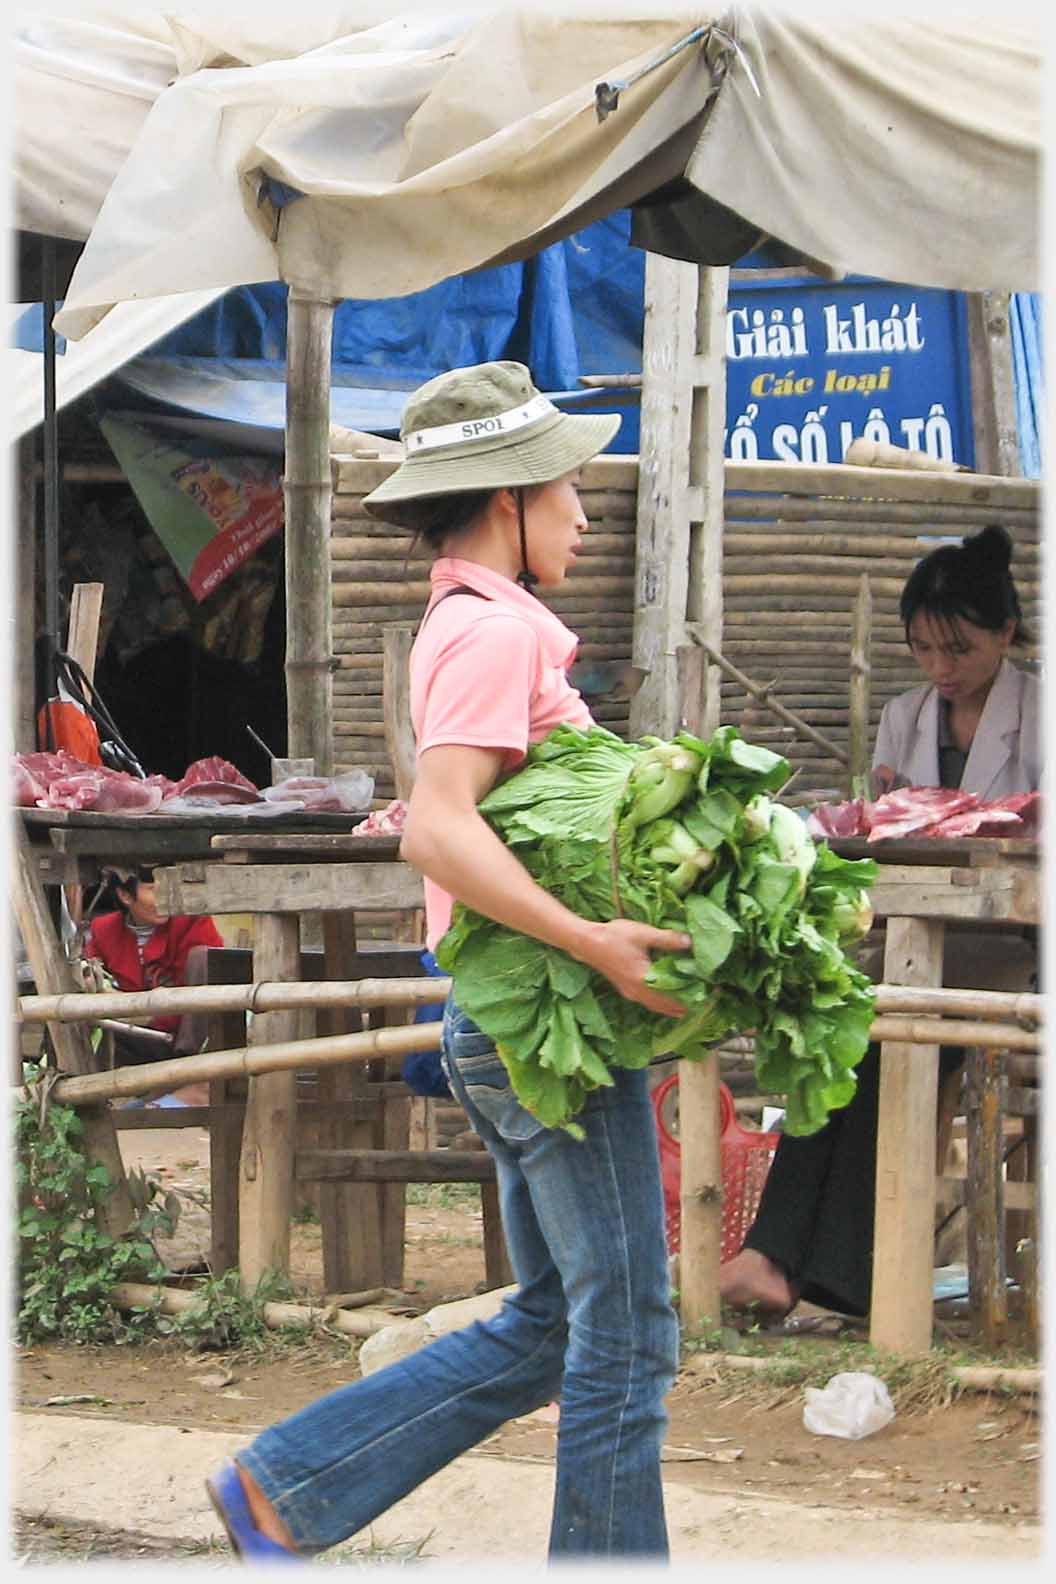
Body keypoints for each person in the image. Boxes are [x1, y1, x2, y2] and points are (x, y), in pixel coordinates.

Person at [203, 361, 693, 1562]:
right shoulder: (486, 633)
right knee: (627, 1331)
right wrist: (590, 940)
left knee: (548, 1325)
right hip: (537, 1029)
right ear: (507, 501)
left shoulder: (486, 625)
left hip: (514, 1024)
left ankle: (285, 1484)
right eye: (571, 486)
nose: (585, 510)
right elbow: (439, 825)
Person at [720, 524, 1040, 1320]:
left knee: (885, 1045)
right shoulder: (905, 716)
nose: (940, 670)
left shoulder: (1044, 710)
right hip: (912, 941)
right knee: (840, 1037)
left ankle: (809, 1270)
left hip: (1019, 951)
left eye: (958, 650)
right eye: (924, 651)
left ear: (1006, 633)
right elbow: (890, 822)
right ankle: (792, 1265)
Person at [84, 866, 224, 1106]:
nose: (164, 895)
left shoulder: (192, 919)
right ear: (125, 896)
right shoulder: (104, 929)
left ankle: (186, 1076)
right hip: (137, 1031)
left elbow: (209, 979)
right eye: (152, 888)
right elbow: (94, 974)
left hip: (187, 1032)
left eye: (167, 885)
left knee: (206, 958)